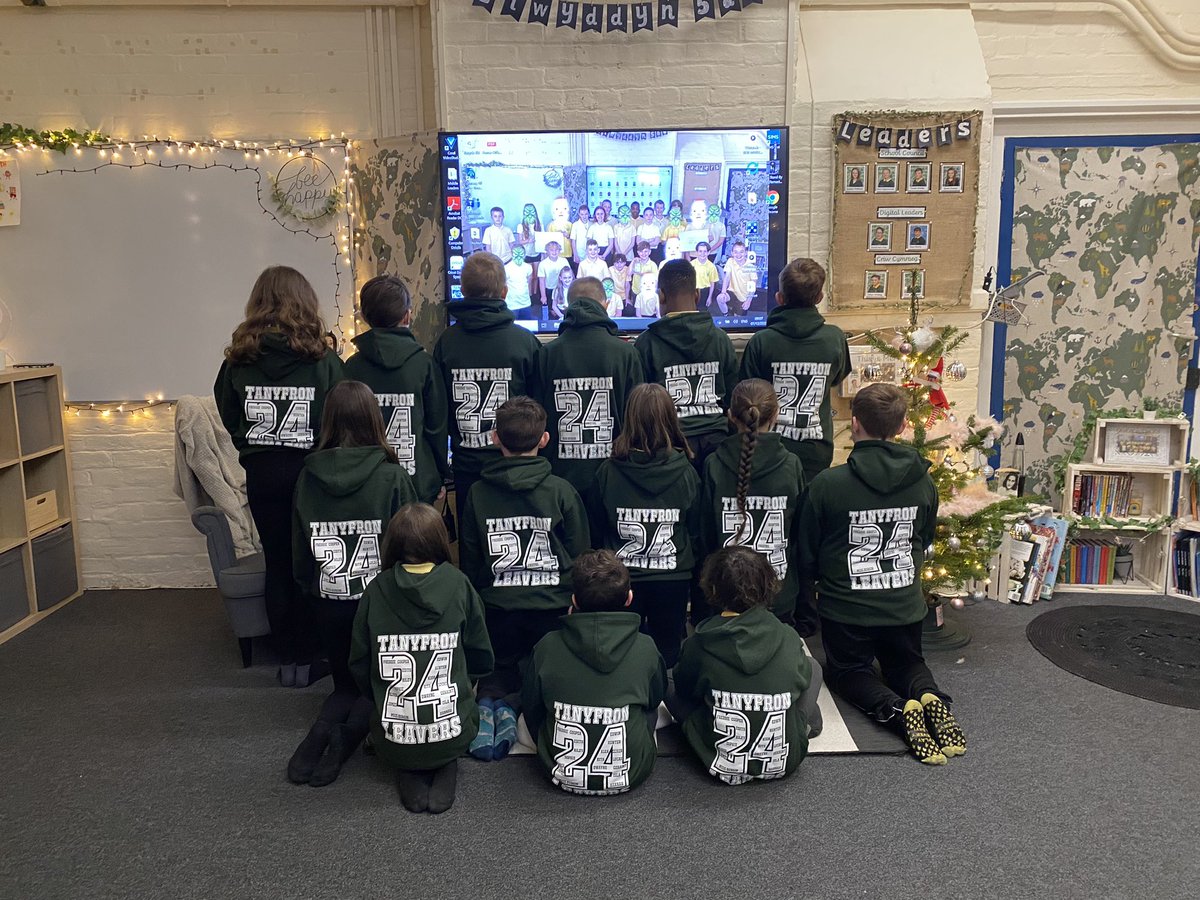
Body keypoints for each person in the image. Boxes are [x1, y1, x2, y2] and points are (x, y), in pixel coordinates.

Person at [797, 383, 965, 765]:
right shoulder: (924, 481)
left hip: (847, 610)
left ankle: (894, 709)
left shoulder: (827, 485)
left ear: (854, 425)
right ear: (904, 425)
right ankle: (930, 699)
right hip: (904, 606)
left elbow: (806, 554)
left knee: (848, 672)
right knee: (906, 664)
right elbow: (922, 539)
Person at [214, 265, 344, 687]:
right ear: (305, 301)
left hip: (263, 472)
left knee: (278, 563)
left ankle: (288, 657)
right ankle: (314, 654)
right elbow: (339, 412)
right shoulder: (322, 358)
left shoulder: (238, 357)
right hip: (311, 475)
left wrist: (249, 447)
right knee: (313, 563)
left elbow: (227, 409)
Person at [288, 381, 418, 786]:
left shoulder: (306, 478)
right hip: (381, 604)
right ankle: (343, 744)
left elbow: (298, 550)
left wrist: (311, 591)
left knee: (343, 686)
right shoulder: (393, 477)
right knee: (379, 689)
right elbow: (411, 546)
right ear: (375, 420)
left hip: (329, 601)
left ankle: (312, 745)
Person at [458, 396, 590, 757]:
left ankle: (491, 706)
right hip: (553, 612)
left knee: (497, 671)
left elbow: (470, 559)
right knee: (548, 673)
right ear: (545, 439)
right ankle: (526, 712)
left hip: (498, 609)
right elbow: (581, 557)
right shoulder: (562, 491)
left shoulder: (476, 493)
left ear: (495, 438)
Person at [349, 503, 493, 813]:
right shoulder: (459, 584)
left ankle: (408, 765)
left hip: (394, 730)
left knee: (398, 742)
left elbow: (359, 662)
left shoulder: (375, 590)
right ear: (440, 540)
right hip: (452, 726)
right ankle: (445, 759)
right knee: (459, 714)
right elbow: (482, 654)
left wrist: (376, 695)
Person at [738, 258, 851, 635]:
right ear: (820, 296)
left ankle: (761, 605)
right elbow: (837, 378)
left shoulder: (762, 341)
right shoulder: (834, 338)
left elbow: (749, 393)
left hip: (767, 452)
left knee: (767, 530)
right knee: (805, 535)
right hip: (815, 450)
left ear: (779, 296)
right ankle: (806, 613)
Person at [669, 546, 819, 785]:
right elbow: (799, 677)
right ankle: (801, 723)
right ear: (769, 585)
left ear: (713, 589)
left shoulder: (699, 642)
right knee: (812, 667)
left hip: (718, 760)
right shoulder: (787, 635)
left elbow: (686, 690)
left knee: (670, 682)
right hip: (786, 759)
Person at [522, 550, 666, 796]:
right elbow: (654, 699)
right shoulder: (646, 646)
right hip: (631, 772)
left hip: (559, 770)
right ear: (629, 598)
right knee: (654, 706)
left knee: (525, 714)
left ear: (574, 601)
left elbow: (532, 707)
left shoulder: (546, 645)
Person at [590, 383, 700, 667]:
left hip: (622, 579)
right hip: (673, 577)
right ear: (670, 418)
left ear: (629, 419)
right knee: (669, 649)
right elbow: (695, 526)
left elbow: (597, 526)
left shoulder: (607, 471)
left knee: (626, 650)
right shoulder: (687, 471)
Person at [431, 252, 541, 528]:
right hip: (520, 467)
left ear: (463, 290)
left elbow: (438, 409)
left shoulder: (447, 342)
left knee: (473, 545)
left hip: (468, 467)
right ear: (504, 292)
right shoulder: (525, 342)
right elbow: (540, 408)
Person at [701, 378, 805, 624]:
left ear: (730, 415)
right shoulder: (792, 465)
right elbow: (800, 534)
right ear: (777, 415)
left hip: (725, 592)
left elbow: (704, 534)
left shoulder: (714, 465)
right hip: (778, 593)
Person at [344, 274, 450, 504]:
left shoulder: (351, 367)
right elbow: (437, 428)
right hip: (418, 483)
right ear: (407, 315)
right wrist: (440, 474)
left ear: (363, 317)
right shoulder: (424, 365)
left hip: (366, 483)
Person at [541, 277, 643, 494]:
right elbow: (637, 420)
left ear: (568, 308)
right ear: (605, 305)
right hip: (616, 476)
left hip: (559, 479)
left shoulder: (547, 354)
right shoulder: (627, 354)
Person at [635, 259, 737, 472]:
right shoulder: (721, 339)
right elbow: (732, 398)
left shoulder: (645, 343)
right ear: (698, 294)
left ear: (661, 295)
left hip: (669, 448)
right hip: (718, 444)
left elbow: (642, 406)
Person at [717, 240, 758, 314]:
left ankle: (735, 312)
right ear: (732, 253)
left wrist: (749, 300)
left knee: (738, 319)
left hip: (743, 297)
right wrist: (723, 292)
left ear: (745, 253)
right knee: (720, 298)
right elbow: (727, 277)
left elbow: (753, 285)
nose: (738, 254)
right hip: (732, 292)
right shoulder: (730, 261)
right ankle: (726, 314)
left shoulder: (751, 266)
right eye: (735, 252)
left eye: (741, 252)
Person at [538, 240, 570, 317]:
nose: (554, 252)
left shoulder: (564, 261)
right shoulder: (543, 264)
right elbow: (541, 281)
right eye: (551, 250)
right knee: (553, 312)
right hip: (549, 289)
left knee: (562, 309)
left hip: (562, 289)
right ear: (547, 251)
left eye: (556, 250)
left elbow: (569, 275)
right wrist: (543, 296)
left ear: (559, 251)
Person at [503, 246, 535, 320]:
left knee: (527, 326)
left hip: (526, 303)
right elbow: (503, 285)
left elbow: (529, 282)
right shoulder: (506, 268)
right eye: (516, 254)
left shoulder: (528, 267)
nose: (518, 257)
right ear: (511, 254)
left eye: (521, 254)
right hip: (512, 305)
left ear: (524, 254)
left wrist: (529, 295)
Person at [515, 202, 542, 282]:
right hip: (527, 254)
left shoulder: (540, 225)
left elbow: (543, 239)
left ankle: (535, 293)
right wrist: (529, 240)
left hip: (537, 253)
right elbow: (520, 241)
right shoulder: (520, 226)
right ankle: (530, 294)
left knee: (536, 276)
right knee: (530, 277)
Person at [691, 241, 719, 308]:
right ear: (697, 252)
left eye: (705, 251)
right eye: (700, 251)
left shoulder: (712, 266)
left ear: (708, 252)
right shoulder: (691, 264)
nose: (702, 254)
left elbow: (712, 283)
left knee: (703, 311)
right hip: (693, 291)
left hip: (705, 291)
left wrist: (710, 297)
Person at [571, 205, 591, 269]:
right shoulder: (575, 225)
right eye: (582, 214)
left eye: (586, 214)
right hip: (579, 253)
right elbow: (573, 241)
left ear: (589, 214)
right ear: (579, 214)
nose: (584, 216)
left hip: (590, 253)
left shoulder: (592, 224)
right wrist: (575, 254)